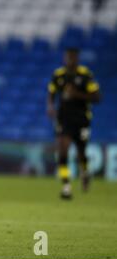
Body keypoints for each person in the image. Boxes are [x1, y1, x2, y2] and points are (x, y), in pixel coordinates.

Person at [47, 48, 100, 199]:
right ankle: (66, 187)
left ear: (77, 59)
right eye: (67, 57)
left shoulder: (85, 75)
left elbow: (97, 97)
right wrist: (50, 107)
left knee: (81, 153)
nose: (70, 60)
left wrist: (76, 94)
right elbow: (51, 92)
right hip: (64, 118)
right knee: (62, 150)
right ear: (65, 58)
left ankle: (85, 171)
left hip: (82, 119)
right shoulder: (59, 75)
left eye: (72, 57)